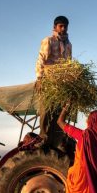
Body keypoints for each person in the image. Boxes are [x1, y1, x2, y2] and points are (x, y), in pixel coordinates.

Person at [35, 15, 73, 146]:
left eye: (65, 26)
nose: (63, 28)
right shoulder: (49, 41)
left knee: (60, 111)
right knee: (46, 109)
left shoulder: (68, 45)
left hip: (61, 84)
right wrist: (39, 78)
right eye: (60, 26)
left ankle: (56, 140)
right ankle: (43, 137)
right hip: (48, 81)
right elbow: (41, 59)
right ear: (55, 27)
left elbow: (69, 64)